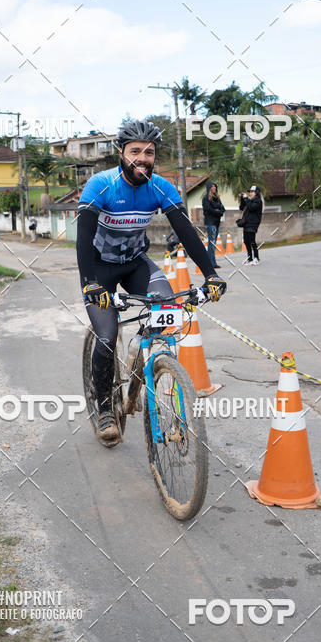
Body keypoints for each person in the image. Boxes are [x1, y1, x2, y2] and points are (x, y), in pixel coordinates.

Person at [76, 119, 227, 442]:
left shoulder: (160, 186)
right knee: (106, 334)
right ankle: (104, 409)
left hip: (135, 265)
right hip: (98, 268)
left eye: (149, 152)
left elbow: (186, 231)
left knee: (166, 310)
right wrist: (90, 283)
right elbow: (84, 237)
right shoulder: (100, 185)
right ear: (121, 153)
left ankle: (141, 357)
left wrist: (211, 274)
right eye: (135, 152)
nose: (142, 158)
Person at [202, 180, 225, 269]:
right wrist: (217, 211)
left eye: (215, 186)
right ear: (208, 188)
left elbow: (223, 209)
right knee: (211, 243)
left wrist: (218, 211)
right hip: (210, 223)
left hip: (217, 223)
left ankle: (210, 261)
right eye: (212, 186)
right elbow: (208, 210)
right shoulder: (206, 198)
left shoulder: (217, 198)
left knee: (213, 243)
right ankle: (212, 263)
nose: (214, 188)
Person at [239, 185, 263, 265]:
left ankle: (256, 258)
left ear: (256, 193)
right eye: (250, 192)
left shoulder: (258, 201)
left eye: (252, 192)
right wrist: (242, 199)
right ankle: (249, 258)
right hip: (246, 224)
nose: (250, 193)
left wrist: (246, 199)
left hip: (253, 224)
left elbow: (252, 208)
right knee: (246, 241)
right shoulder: (249, 200)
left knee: (252, 241)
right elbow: (241, 208)